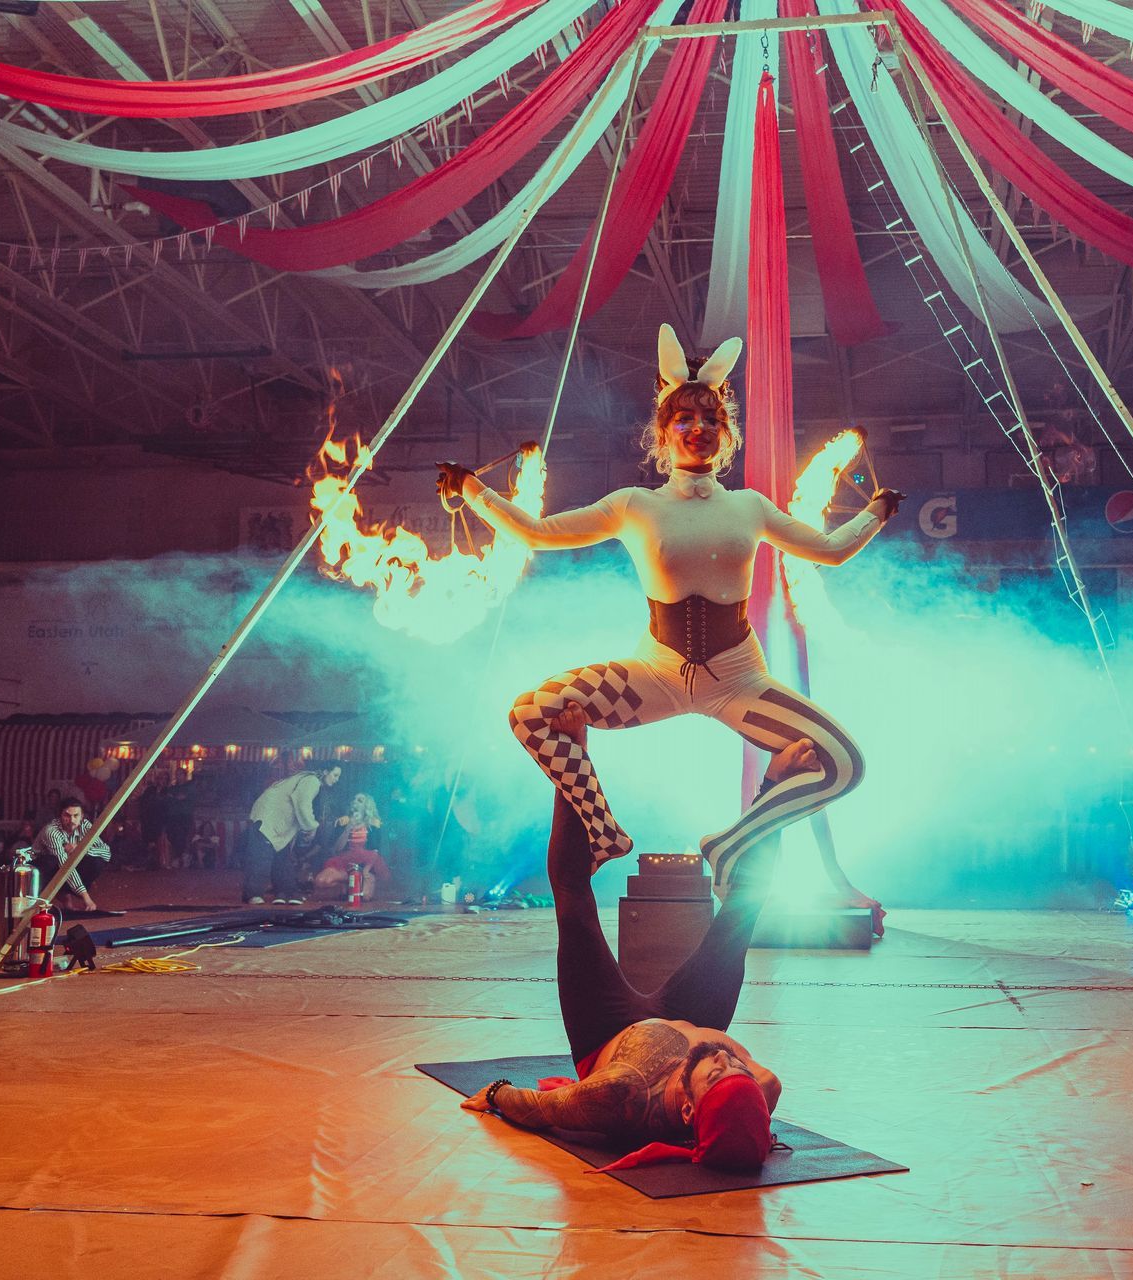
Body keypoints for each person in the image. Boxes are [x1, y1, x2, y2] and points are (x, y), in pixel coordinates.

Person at [438, 324, 903, 902]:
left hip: (739, 681)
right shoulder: (635, 506)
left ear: (725, 434)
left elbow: (830, 551)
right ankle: (603, 830)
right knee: (529, 713)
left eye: (711, 420)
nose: (699, 429)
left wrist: (876, 512)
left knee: (844, 763)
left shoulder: (749, 508)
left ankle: (731, 842)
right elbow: (536, 533)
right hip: (653, 676)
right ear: (664, 432)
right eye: (685, 419)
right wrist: (474, 491)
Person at [461, 705, 816, 1172]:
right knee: (744, 909)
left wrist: (495, 1093)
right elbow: (747, 1084)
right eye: (737, 1071)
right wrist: (729, 1077)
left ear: (688, 1110)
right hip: (691, 1014)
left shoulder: (621, 1096)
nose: (729, 1062)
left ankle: (574, 760)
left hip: (609, 1030)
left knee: (572, 896)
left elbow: (541, 1108)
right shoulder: (762, 1085)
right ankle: (773, 788)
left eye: (719, 1074)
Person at [242, 764, 340, 904]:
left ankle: (286, 892)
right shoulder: (312, 780)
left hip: (275, 820)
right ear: (325, 771)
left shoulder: (306, 779)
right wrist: (312, 827)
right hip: (268, 818)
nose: (337, 779)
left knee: (282, 858)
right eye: (335, 775)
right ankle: (252, 894)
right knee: (262, 857)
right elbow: (302, 803)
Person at [34, 798, 109, 912]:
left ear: (82, 816)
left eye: (76, 815)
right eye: (67, 815)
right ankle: (39, 902)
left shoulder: (85, 825)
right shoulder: (51, 831)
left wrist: (81, 849)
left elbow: (106, 852)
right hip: (40, 870)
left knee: (96, 862)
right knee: (51, 861)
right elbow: (64, 865)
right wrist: (86, 897)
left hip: (65, 867)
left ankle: (64, 893)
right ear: (60, 815)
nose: (72, 820)